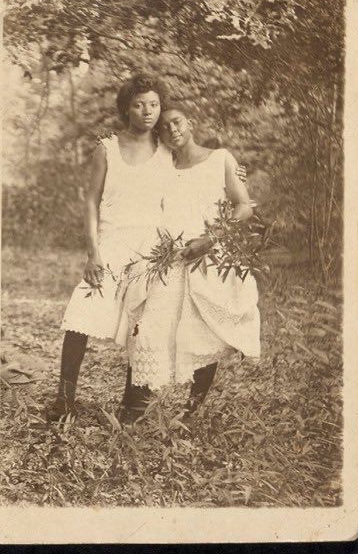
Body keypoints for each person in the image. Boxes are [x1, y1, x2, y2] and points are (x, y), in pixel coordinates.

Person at [122, 102, 261, 422]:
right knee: (149, 323)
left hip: (209, 254)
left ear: (191, 122)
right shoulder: (161, 166)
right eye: (165, 127)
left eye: (177, 122)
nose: (172, 130)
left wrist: (210, 239)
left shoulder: (221, 158)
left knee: (202, 331)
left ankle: (191, 409)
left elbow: (243, 207)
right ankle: (133, 406)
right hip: (170, 256)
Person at [46, 73, 172, 421]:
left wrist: (233, 175)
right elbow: (91, 201)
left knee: (143, 326)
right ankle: (64, 401)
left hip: (151, 252)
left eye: (154, 104)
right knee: (79, 318)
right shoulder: (108, 147)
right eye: (138, 104)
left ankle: (133, 405)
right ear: (126, 109)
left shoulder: (167, 151)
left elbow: (193, 182)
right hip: (111, 244)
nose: (147, 111)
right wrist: (93, 252)